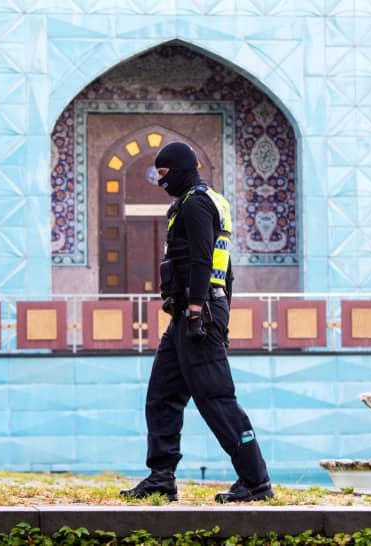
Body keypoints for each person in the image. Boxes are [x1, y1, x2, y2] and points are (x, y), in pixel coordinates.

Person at [120, 142, 273, 503]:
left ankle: (255, 481)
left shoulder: (196, 204)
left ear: (177, 170)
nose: (160, 182)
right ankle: (161, 476)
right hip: (190, 315)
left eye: (162, 174)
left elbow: (205, 261)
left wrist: (196, 310)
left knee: (216, 398)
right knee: (162, 395)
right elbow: (227, 270)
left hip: (197, 313)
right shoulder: (198, 201)